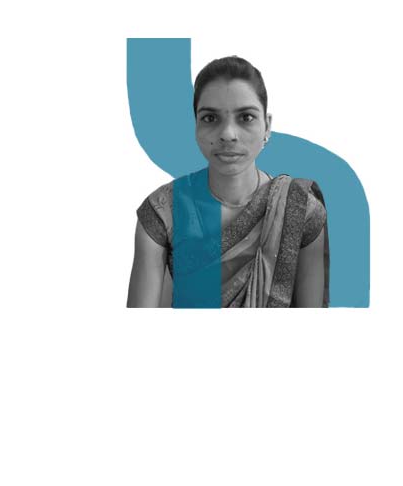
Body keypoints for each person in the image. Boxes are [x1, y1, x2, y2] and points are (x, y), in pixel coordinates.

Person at [127, 56, 329, 308]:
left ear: (267, 127)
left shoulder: (299, 208)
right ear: (196, 126)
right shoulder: (164, 210)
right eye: (210, 118)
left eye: (246, 117)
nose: (227, 134)